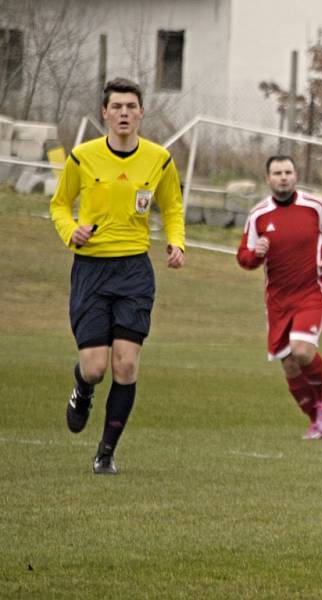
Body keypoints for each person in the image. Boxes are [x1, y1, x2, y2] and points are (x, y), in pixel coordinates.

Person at [50, 77, 186, 474]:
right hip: (91, 269)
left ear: (141, 112)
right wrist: (69, 231)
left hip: (134, 271)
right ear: (105, 113)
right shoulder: (82, 157)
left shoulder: (159, 158)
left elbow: (173, 208)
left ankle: (105, 453)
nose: (124, 113)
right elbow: (59, 205)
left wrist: (177, 242)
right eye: (117, 107)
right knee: (95, 367)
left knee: (125, 366)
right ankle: (82, 388)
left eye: (131, 106)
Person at [237, 156, 322, 439]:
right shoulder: (258, 215)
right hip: (277, 301)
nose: (283, 177)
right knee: (288, 364)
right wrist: (256, 253)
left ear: (296, 175)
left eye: (288, 172)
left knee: (301, 351)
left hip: (312, 291)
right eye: (277, 173)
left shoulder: (314, 206)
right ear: (268, 178)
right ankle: (317, 421)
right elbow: (245, 258)